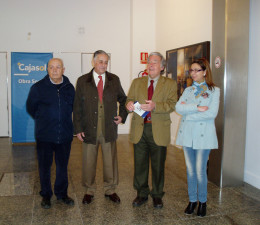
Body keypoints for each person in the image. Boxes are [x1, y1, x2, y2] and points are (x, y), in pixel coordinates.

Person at [73, 50, 128, 204]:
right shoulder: (83, 81)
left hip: (108, 128)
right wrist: (77, 129)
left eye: (106, 62)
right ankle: (89, 190)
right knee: (88, 161)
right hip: (89, 129)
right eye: (100, 61)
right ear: (94, 62)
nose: (103, 65)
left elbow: (124, 99)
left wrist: (122, 115)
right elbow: (77, 106)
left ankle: (110, 190)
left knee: (110, 162)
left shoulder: (114, 80)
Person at [126, 52, 177, 208]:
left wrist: (156, 106)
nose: (151, 65)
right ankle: (141, 193)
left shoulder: (169, 84)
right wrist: (128, 104)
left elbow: (172, 104)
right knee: (140, 164)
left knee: (158, 165)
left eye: (155, 62)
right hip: (139, 129)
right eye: (149, 62)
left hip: (158, 130)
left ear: (162, 67)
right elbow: (130, 99)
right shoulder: (137, 82)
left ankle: (157, 194)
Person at [26, 58, 75, 209]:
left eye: (58, 67)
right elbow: (31, 108)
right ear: (47, 69)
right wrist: (44, 121)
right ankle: (46, 195)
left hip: (65, 135)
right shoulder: (38, 88)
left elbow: (73, 107)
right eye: (51, 67)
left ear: (63, 69)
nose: (54, 70)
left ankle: (61, 193)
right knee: (44, 167)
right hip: (45, 136)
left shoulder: (69, 87)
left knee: (62, 166)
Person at [176, 58, 220, 217]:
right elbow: (178, 107)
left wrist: (189, 115)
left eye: (197, 70)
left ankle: (202, 202)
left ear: (205, 72)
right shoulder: (188, 90)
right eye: (192, 70)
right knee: (190, 170)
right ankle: (192, 200)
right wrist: (196, 108)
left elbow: (211, 113)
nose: (193, 73)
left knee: (200, 171)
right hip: (188, 134)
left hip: (203, 136)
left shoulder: (214, 90)